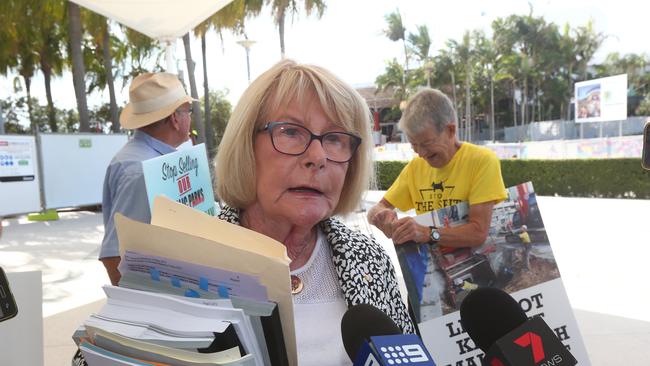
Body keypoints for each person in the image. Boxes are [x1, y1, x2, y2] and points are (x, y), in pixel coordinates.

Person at [215, 59, 415, 365]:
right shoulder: (188, 260)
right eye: (291, 132)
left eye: (335, 139)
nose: (318, 157)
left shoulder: (369, 259)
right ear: (246, 146)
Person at [367, 88, 507, 249]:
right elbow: (377, 209)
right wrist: (381, 217)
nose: (421, 153)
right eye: (414, 145)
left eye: (426, 144)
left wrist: (427, 233)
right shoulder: (415, 168)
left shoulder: (481, 161)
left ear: (450, 130)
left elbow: (478, 232)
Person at [99, 72, 195, 286]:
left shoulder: (142, 160)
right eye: (189, 111)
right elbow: (114, 254)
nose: (191, 118)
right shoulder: (141, 171)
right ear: (175, 119)